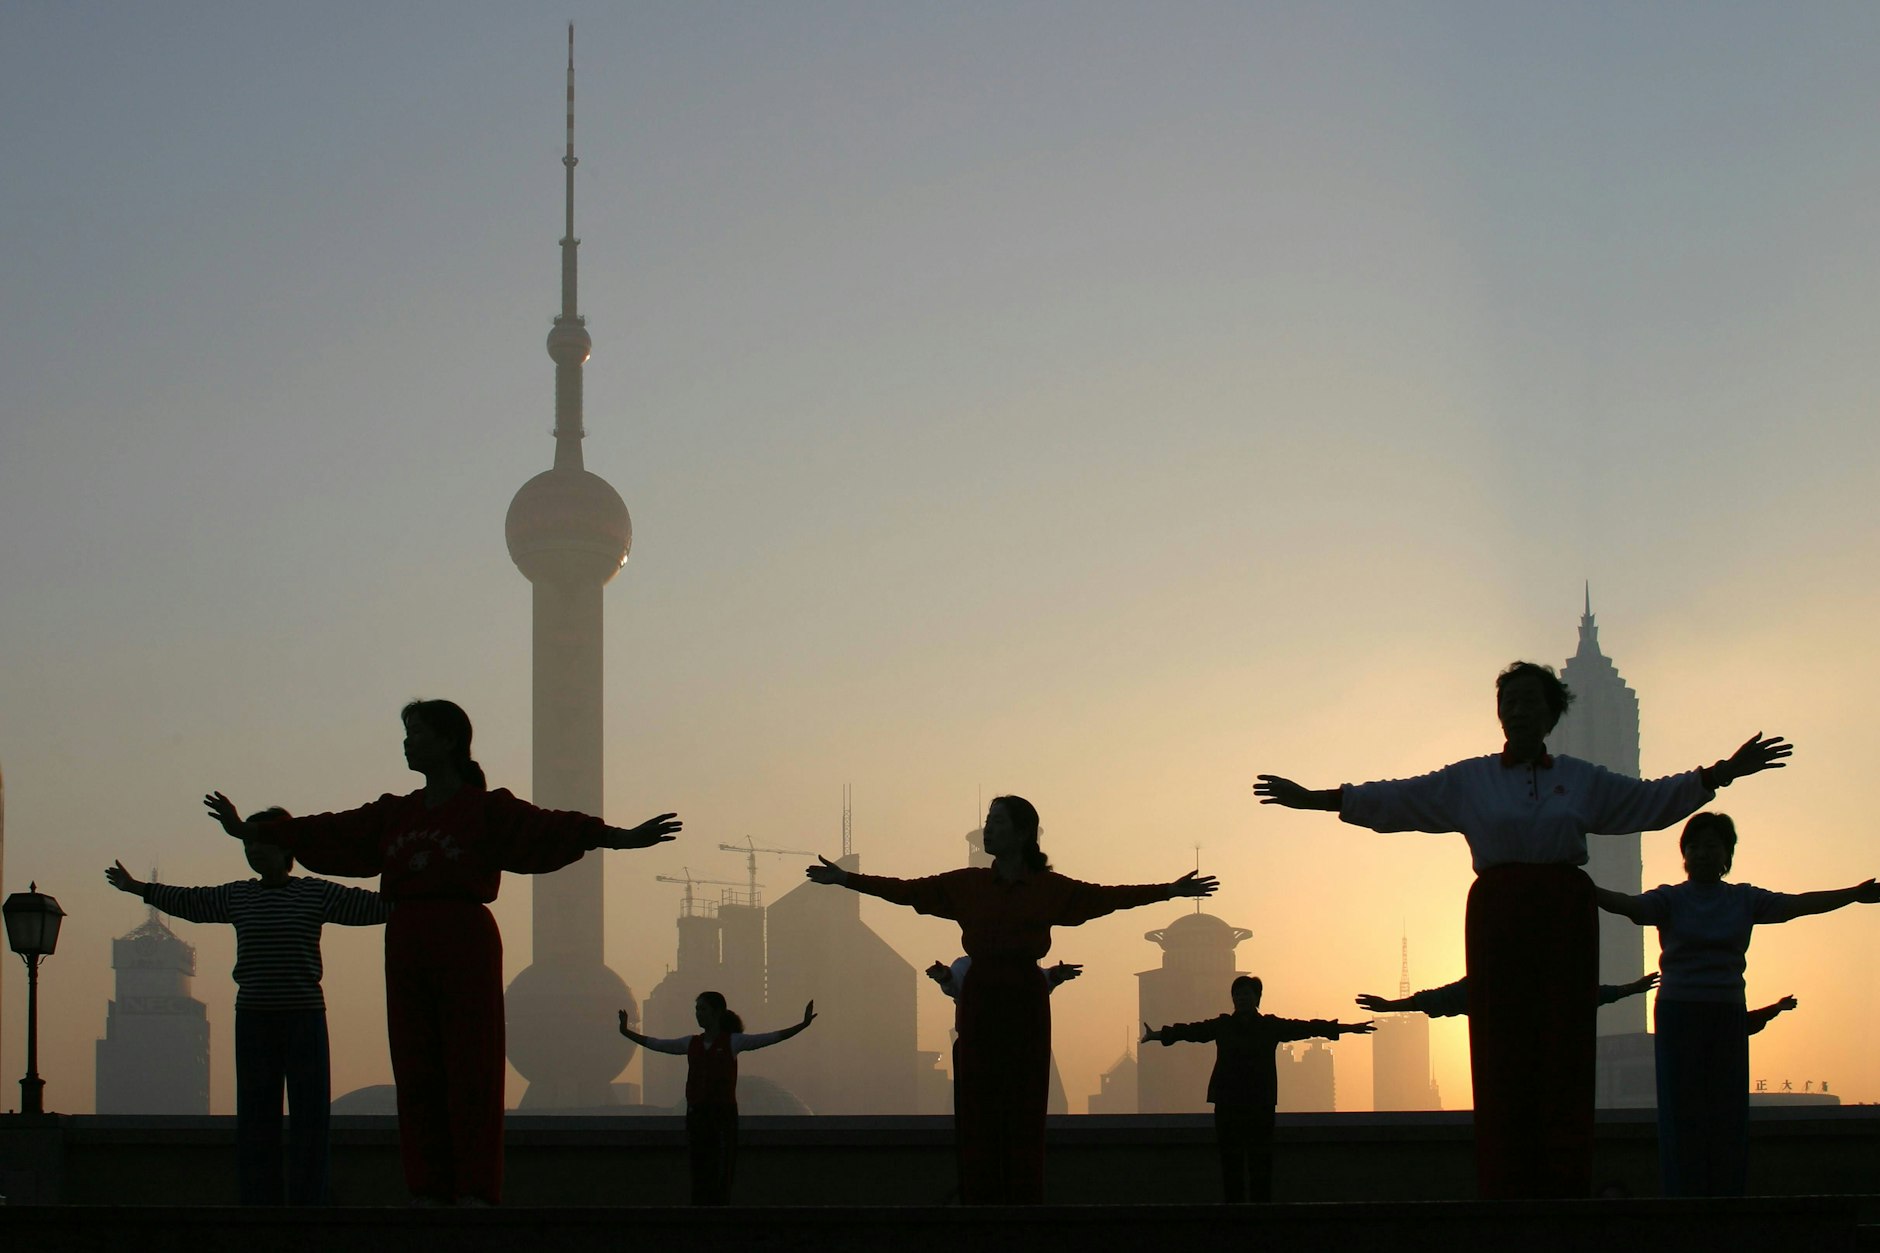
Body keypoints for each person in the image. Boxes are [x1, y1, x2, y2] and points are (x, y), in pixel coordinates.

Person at [1254, 660, 1790, 1198]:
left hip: (1564, 917)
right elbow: (1399, 798)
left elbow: (1649, 801)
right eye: (1508, 701)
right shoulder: (1471, 779)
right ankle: (1506, 1184)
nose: (1517, 710)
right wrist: (1320, 799)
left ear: (1552, 712)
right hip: (1498, 919)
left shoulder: (1580, 778)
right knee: (1500, 1049)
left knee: (1566, 1048)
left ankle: (1564, 1183)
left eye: (1530, 700)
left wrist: (1722, 772)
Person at [202, 699, 681, 1206]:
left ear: (449, 740)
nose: (407, 743)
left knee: (472, 1066)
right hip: (406, 936)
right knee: (415, 1069)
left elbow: (548, 827)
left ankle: (475, 1189)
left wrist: (618, 837)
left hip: (464, 936)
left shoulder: (484, 808)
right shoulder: (396, 812)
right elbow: (330, 830)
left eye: (417, 732)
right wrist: (250, 831)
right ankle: (427, 1187)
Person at [806, 794, 1217, 1204]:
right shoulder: (968, 885)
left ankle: (1023, 1197)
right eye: (988, 820)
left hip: (1024, 997)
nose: (989, 828)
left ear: (1023, 833)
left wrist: (1166, 891)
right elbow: (910, 891)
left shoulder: (1045, 888)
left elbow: (1104, 898)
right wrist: (848, 880)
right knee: (978, 1099)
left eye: (998, 821)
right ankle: (979, 1194)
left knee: (1025, 1099)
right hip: (982, 996)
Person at [104, 814, 387, 1204]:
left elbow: (374, 908)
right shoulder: (240, 895)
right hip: (254, 1016)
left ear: (287, 849)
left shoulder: (314, 893)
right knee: (256, 1114)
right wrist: (139, 889)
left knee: (310, 1114)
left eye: (261, 842)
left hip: (304, 1015)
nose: (253, 851)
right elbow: (193, 901)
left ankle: (310, 1201)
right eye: (248, 845)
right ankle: (258, 1201)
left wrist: (419, 888)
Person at [1594, 812, 1877, 1196]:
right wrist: (1586, 890)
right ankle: (1682, 1194)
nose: (1702, 854)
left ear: (1727, 855)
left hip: (1726, 1011)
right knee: (1681, 1107)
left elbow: (1796, 905)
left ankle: (1728, 1193)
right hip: (1679, 1011)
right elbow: (1631, 907)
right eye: (1694, 846)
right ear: (1684, 856)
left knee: (1726, 1107)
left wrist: (1852, 895)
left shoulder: (1743, 899)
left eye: (1712, 846)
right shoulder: (1670, 898)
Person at [1142, 975, 1373, 1203]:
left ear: (1257, 998)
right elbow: (1192, 1032)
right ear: (1233, 999)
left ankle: (1261, 1213)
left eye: (1247, 994)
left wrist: (1347, 1028)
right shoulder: (1223, 1025)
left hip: (1259, 1102)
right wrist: (1159, 1035)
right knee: (1230, 1162)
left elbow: (1307, 1028)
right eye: (1238, 994)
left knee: (1260, 1161)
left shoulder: (1269, 1026)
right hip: (1228, 1102)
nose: (1242, 998)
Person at [617, 993, 816, 1205]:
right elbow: (658, 1044)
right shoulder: (691, 1043)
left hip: (722, 1116)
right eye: (697, 1010)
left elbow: (769, 1038)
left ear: (717, 1013)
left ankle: (719, 1214)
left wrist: (802, 1025)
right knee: (699, 1168)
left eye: (703, 1009)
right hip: (697, 1115)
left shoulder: (732, 1042)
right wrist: (626, 1032)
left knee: (722, 1168)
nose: (698, 1014)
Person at [1357, 971, 1660, 1020]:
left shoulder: (1539, 979)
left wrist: (1630, 989)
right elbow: (1437, 999)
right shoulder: (1486, 983)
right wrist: (1389, 1006)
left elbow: (1583, 994)